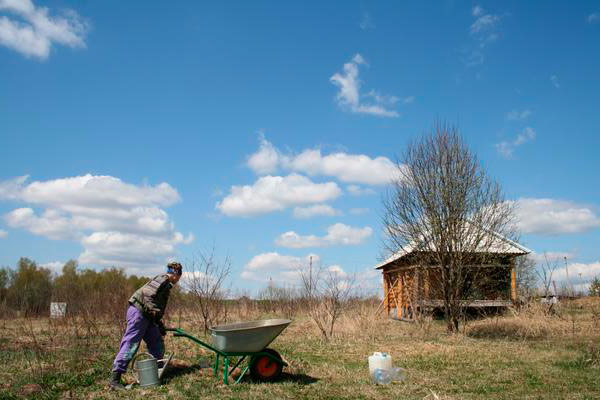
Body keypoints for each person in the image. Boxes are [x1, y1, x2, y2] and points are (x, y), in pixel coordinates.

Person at [109, 261, 183, 390]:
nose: (178, 279)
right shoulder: (162, 279)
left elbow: (153, 304)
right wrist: (154, 312)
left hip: (147, 316)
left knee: (156, 341)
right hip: (138, 313)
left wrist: (158, 322)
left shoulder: (166, 284)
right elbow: (147, 295)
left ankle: (156, 372)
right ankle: (115, 379)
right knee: (131, 344)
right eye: (179, 275)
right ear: (176, 274)